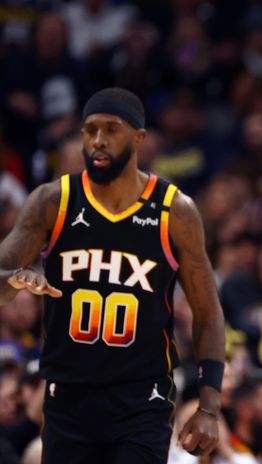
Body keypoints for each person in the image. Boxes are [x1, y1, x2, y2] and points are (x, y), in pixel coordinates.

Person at [0, 88, 226, 463]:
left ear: (139, 138)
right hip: (67, 397)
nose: (98, 141)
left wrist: (208, 406)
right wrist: (16, 279)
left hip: (142, 400)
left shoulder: (175, 210)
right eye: (89, 130)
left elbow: (208, 312)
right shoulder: (53, 201)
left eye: (111, 129)